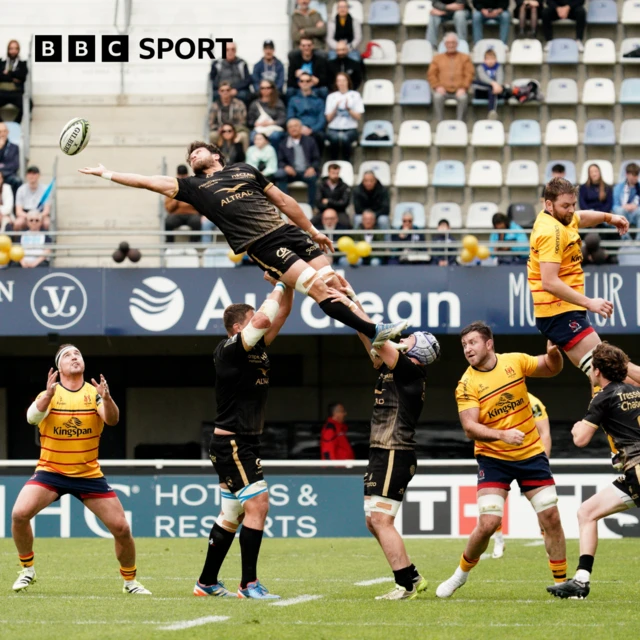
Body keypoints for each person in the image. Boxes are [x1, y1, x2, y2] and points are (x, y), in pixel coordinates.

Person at [79, 142, 407, 346]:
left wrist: (312, 230)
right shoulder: (193, 186)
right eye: (190, 154)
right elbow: (147, 182)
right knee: (321, 288)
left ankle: (377, 350)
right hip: (261, 243)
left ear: (216, 154)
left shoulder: (245, 170)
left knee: (339, 282)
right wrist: (108, 173)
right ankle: (375, 329)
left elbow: (282, 199)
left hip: (289, 232)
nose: (193, 154)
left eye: (198, 149)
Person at [436, 322, 566, 598]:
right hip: (493, 458)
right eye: (464, 346)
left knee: (551, 517)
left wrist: (554, 353)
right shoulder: (466, 384)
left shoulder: (515, 362)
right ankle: (460, 575)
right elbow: (470, 427)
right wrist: (502, 435)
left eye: (472, 343)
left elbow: (552, 368)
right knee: (487, 524)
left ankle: (562, 583)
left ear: (489, 343)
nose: (467, 349)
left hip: (531, 453)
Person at [11, 345, 151, 595]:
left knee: (122, 529)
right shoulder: (48, 394)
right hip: (50, 472)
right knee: (19, 514)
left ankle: (130, 582)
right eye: (68, 355)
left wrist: (107, 398)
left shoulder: (95, 394)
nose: (74, 357)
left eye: (78, 354)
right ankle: (27, 570)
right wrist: (47, 395)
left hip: (88, 475)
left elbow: (112, 420)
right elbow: (32, 418)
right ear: (59, 367)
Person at [333, 291, 440, 599]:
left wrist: (349, 302)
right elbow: (369, 335)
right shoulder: (393, 367)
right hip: (382, 451)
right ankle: (412, 576)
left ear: (416, 351)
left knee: (381, 519)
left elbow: (375, 336)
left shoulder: (409, 369)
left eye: (407, 339)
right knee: (372, 521)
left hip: (394, 450)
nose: (402, 338)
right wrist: (352, 300)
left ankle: (405, 586)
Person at [194, 280, 293, 599]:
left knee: (232, 514)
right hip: (233, 444)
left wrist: (289, 281)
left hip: (243, 442)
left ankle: (206, 583)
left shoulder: (257, 347)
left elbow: (281, 313)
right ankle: (248, 585)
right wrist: (278, 283)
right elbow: (264, 317)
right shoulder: (230, 349)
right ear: (238, 327)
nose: (258, 322)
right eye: (250, 319)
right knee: (259, 505)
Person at [547, 342, 640, 600]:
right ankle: (581, 580)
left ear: (597, 371)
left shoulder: (603, 398)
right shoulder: (636, 389)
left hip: (637, 467)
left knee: (586, 514)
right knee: (587, 512)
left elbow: (581, 440)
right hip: (633, 474)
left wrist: (578, 426)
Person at [529, 178, 640, 390]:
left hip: (566, 309)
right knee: (615, 370)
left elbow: (581, 217)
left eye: (573, 204)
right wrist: (589, 303)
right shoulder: (551, 232)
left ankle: (600, 419)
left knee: (602, 377)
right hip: (558, 313)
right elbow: (549, 282)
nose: (571, 210)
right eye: (565, 206)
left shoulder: (562, 217)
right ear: (548, 204)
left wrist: (609, 217)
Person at [491, 390, 552, 558]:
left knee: (543, 505)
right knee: (492, 505)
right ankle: (498, 540)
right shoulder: (493, 400)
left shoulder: (533, 402)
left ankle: (547, 540)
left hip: (530, 460)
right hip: (500, 460)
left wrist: (544, 462)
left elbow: (544, 433)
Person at [427, 33, 475, 123]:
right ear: (445, 45)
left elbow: (469, 74)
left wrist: (464, 88)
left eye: (453, 42)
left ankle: (460, 123)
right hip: (442, 89)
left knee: (463, 98)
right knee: (437, 97)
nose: (451, 45)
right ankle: (440, 123)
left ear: (457, 44)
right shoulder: (437, 58)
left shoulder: (465, 58)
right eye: (448, 43)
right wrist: (437, 86)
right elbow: (431, 74)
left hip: (460, 89)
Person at [276, 118, 321, 206]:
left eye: (296, 126)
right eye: (291, 127)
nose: (293, 129)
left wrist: (312, 168)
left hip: (306, 172)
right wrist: (286, 167)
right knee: (280, 175)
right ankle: (285, 205)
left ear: (301, 128)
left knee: (313, 178)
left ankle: (312, 206)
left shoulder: (310, 141)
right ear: (288, 130)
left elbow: (316, 159)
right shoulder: (283, 143)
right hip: (292, 173)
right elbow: (280, 161)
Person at [325, 72, 364, 162]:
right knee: (335, 139)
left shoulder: (355, 95)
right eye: (339, 81)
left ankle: (347, 162)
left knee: (344, 139)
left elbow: (358, 117)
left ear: (348, 82)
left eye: (344, 80)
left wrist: (348, 109)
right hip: (333, 129)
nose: (341, 83)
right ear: (336, 83)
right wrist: (335, 108)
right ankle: (333, 163)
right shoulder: (331, 97)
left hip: (350, 129)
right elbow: (328, 119)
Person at [287, 72, 327, 151]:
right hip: (297, 128)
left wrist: (312, 130)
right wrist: (299, 128)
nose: (304, 83)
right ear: (299, 83)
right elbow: (290, 117)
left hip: (314, 130)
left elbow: (322, 120)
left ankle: (316, 162)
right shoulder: (293, 100)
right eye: (302, 81)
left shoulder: (319, 101)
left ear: (312, 83)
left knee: (320, 136)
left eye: (307, 81)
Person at [165, 165, 202, 243]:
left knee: (196, 221)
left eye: (184, 176)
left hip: (192, 214)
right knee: (168, 222)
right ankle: (169, 246)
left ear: (187, 175)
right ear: (177, 176)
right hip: (177, 214)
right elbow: (169, 208)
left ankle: (193, 245)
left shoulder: (193, 186)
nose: (182, 178)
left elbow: (200, 204)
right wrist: (177, 198)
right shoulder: (171, 187)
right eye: (180, 176)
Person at [247, 80, 286, 150]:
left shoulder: (278, 103)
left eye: (268, 88)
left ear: (272, 89)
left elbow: (282, 119)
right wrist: (256, 123)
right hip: (259, 128)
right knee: (252, 137)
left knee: (275, 137)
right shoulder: (255, 104)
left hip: (274, 128)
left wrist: (271, 123)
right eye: (263, 88)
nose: (265, 90)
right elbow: (250, 120)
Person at [208, 81, 249, 148]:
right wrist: (222, 130)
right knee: (212, 136)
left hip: (236, 130)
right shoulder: (214, 106)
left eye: (227, 90)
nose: (225, 92)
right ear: (219, 92)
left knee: (244, 135)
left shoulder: (239, 104)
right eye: (222, 90)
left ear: (231, 91)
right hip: (220, 131)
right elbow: (211, 123)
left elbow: (243, 121)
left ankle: (247, 158)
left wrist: (231, 131)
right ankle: (213, 157)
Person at [473, 49, 508, 119]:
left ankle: (491, 113)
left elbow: (500, 78)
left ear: (496, 60)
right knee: (480, 83)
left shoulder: (498, 67)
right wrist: (493, 84)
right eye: (488, 59)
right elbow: (483, 78)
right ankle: (492, 111)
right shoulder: (480, 67)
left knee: (503, 89)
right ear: (484, 60)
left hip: (495, 91)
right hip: (481, 91)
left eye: (492, 59)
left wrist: (497, 86)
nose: (490, 61)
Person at [0, 40, 28, 123]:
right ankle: (1, 126)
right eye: (11, 48)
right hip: (2, 92)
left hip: (16, 93)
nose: (13, 51)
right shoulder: (1, 62)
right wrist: (13, 77)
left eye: (15, 48)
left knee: (28, 104)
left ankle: (15, 126)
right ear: (8, 50)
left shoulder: (22, 63)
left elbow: (22, 76)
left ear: (18, 50)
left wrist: (7, 73)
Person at [15, 166, 50, 231]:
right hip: (26, 213)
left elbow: (46, 210)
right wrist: (28, 216)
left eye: (34, 174)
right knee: (18, 223)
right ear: (26, 176)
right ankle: (17, 240)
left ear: (39, 175)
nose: (32, 176)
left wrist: (38, 216)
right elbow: (18, 211)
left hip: (40, 213)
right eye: (30, 174)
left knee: (47, 223)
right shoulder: (21, 190)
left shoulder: (45, 189)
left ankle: (47, 240)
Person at [612, 162, 640, 237]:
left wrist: (635, 207)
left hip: (636, 213)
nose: (635, 177)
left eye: (637, 175)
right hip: (624, 213)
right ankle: (626, 240)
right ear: (627, 174)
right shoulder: (618, 188)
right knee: (619, 211)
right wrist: (624, 207)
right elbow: (615, 206)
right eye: (633, 175)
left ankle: (639, 241)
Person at [0, 121, 21, 193]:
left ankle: (15, 204)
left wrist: (2, 171)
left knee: (17, 181)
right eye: (0, 132)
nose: (2, 134)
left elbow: (15, 165)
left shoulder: (14, 147)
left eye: (4, 131)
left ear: (7, 132)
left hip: (8, 175)